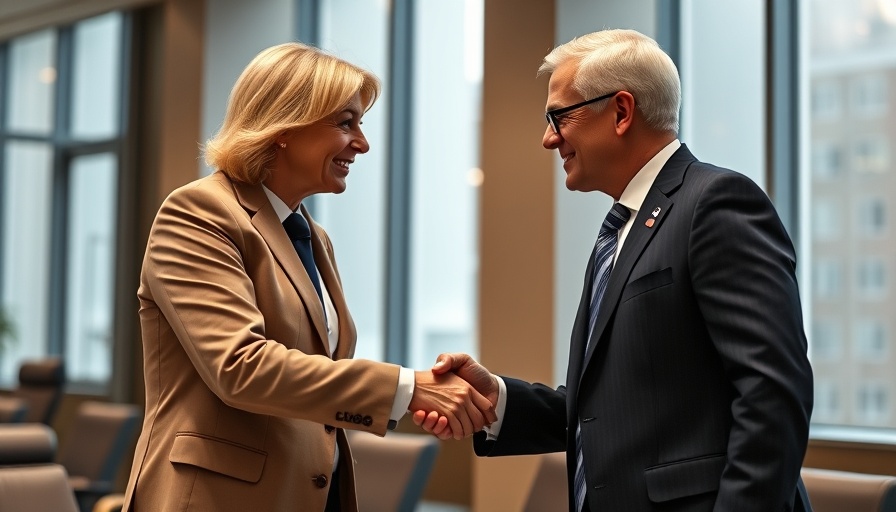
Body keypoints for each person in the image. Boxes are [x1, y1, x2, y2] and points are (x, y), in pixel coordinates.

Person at [414, 29, 814, 512]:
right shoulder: (621, 230)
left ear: (621, 112)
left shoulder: (715, 203)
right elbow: (609, 410)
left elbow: (772, 394)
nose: (547, 139)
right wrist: (496, 400)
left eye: (558, 117)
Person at [122, 42, 495, 512]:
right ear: (285, 125)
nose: (362, 143)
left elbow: (315, 379)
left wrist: (415, 395)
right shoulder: (198, 212)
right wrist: (406, 388)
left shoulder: (312, 236)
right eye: (346, 123)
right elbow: (242, 367)